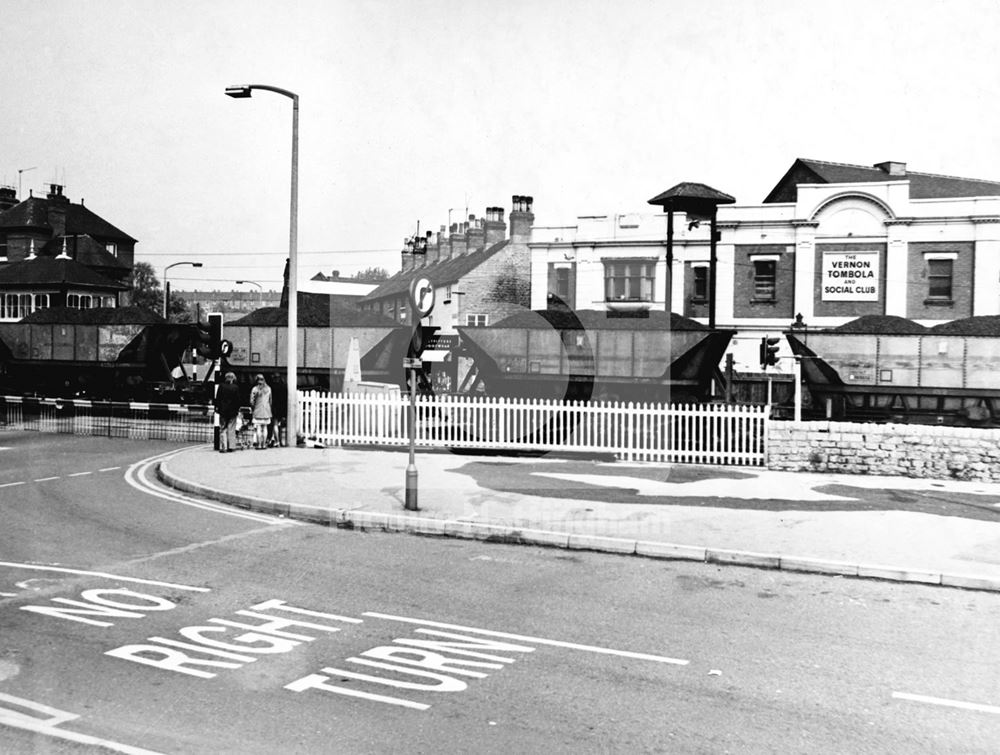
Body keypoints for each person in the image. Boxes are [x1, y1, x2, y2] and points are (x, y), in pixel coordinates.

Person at [214, 372, 241, 453]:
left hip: (223, 411)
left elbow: (217, 398)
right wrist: (237, 409)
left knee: (223, 429)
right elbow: (238, 400)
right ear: (233, 378)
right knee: (231, 429)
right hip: (233, 411)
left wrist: (217, 408)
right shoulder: (235, 387)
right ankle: (231, 447)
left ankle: (223, 447)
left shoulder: (221, 386)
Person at [249, 373, 273, 449]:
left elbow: (251, 401)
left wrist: (253, 407)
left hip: (257, 410)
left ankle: (259, 445)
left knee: (259, 428)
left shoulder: (255, 389)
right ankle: (264, 444)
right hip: (266, 410)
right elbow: (270, 400)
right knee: (265, 428)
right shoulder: (268, 389)